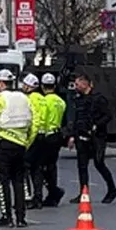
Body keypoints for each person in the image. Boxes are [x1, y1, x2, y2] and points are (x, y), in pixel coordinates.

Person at [0, 69, 33, 228]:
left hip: (4, 145)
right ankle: (21, 218)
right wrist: (27, 142)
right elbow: (34, 122)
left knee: (2, 181)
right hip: (21, 145)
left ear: (1, 83)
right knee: (19, 181)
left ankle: (6, 217)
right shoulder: (24, 98)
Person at [69, 74, 116, 204]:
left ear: (85, 84)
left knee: (99, 163)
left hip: (97, 137)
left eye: (78, 84)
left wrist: (96, 125)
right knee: (82, 166)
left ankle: (112, 189)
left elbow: (108, 115)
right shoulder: (78, 100)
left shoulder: (98, 99)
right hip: (82, 136)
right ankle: (83, 193)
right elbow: (77, 119)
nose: (76, 87)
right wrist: (72, 136)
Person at [38, 73, 67, 207]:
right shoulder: (61, 101)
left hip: (47, 135)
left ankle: (53, 192)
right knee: (52, 166)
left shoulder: (44, 101)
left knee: (40, 166)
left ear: (42, 87)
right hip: (57, 135)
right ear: (54, 86)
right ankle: (53, 194)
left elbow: (42, 119)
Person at [20, 74, 47, 209]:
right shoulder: (43, 99)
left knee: (25, 168)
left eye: (24, 84)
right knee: (38, 169)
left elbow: (29, 118)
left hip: (32, 136)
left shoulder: (28, 99)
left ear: (28, 86)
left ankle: (27, 197)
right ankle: (38, 198)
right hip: (44, 136)